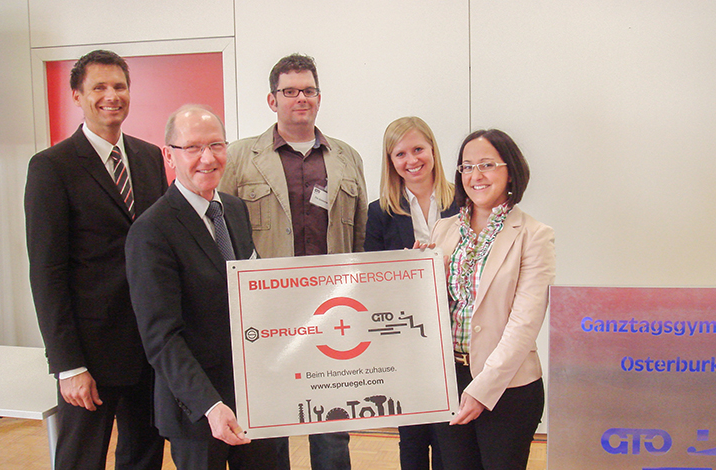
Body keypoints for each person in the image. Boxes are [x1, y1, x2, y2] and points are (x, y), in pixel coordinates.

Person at [218, 53, 366, 470]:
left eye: (308, 90)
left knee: (333, 422)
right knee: (270, 422)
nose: (301, 98)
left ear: (319, 97)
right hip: (267, 313)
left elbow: (359, 237)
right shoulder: (239, 157)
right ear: (272, 99)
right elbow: (220, 230)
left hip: (332, 311)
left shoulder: (347, 157)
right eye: (290, 91)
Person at [24, 50, 166, 470]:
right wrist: (68, 365)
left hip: (148, 346)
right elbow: (46, 272)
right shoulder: (51, 167)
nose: (111, 96)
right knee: (80, 459)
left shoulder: (148, 157)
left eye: (119, 86)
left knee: (144, 455)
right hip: (90, 352)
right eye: (98, 87)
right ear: (77, 96)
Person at [125, 105, 284, 469]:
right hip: (197, 412)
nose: (208, 158)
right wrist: (210, 405)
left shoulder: (235, 210)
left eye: (216, 145)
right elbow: (161, 338)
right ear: (169, 155)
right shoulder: (151, 231)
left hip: (253, 398)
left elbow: (253, 293)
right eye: (193, 147)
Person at [429, 129, 556, 470]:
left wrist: (481, 389)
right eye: (467, 166)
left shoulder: (534, 235)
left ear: (510, 171)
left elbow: (524, 325)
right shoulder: (443, 230)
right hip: (449, 380)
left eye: (486, 165)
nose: (476, 175)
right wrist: (413, 274)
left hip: (508, 387)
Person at [364, 116, 457, 469]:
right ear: (390, 161)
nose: (412, 160)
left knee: (451, 435)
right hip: (405, 336)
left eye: (418, 149)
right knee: (413, 436)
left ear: (433, 150)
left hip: (455, 334)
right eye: (400, 154)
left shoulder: (463, 200)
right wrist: (401, 268)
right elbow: (371, 280)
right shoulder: (379, 212)